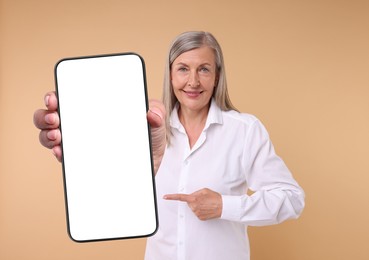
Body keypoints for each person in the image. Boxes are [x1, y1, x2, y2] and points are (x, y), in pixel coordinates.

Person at [34, 31, 305, 260]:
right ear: (171, 74)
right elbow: (115, 195)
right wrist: (85, 155)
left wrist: (224, 206)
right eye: (183, 69)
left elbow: (292, 199)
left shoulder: (244, 131)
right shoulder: (144, 128)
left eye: (204, 69)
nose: (193, 82)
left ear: (218, 75)